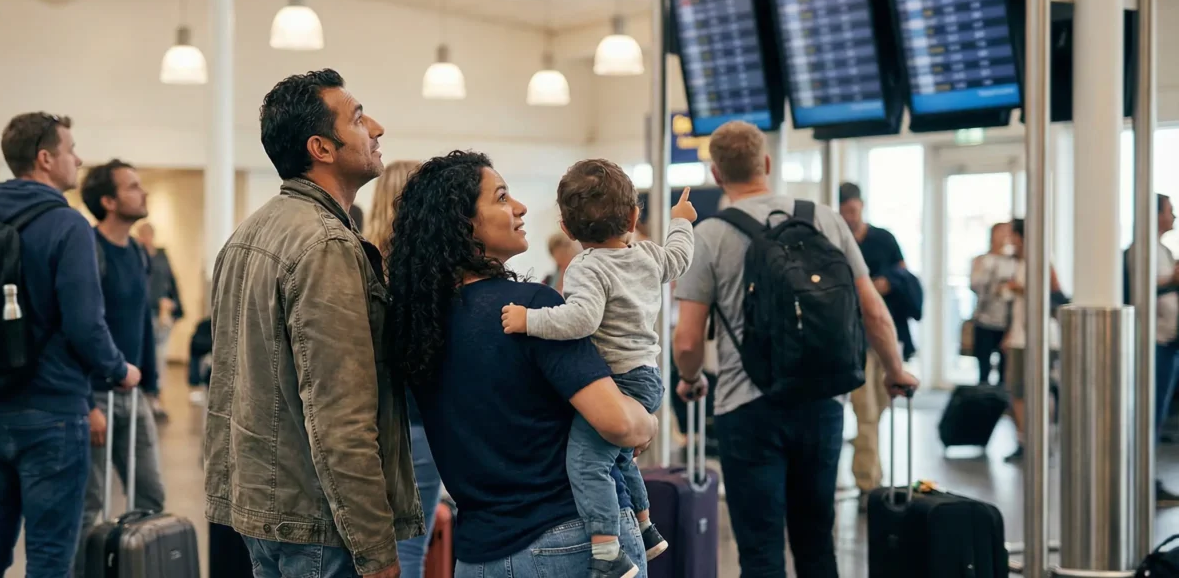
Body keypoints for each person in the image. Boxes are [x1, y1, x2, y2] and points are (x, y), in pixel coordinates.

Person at [385, 151, 657, 578]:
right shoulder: (534, 312)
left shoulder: (420, 326)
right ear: (465, 223)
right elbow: (619, 424)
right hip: (571, 542)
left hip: (479, 555)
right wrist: (649, 422)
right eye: (502, 197)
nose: (521, 207)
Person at [673, 122, 917, 578]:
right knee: (817, 546)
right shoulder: (824, 218)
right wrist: (894, 370)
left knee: (761, 553)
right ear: (766, 164)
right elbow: (874, 311)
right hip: (822, 403)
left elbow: (687, 341)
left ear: (716, 173)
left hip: (747, 410)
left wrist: (690, 380)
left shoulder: (709, 235)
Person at [205, 69, 420, 578]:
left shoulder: (249, 233)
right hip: (321, 526)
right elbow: (340, 416)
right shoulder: (325, 246)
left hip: (264, 509)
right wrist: (375, 548)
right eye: (360, 118)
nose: (378, 129)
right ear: (322, 148)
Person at [0, 113, 141, 578]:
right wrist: (119, 370)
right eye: (70, 149)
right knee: (48, 556)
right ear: (45, 158)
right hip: (51, 411)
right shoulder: (67, 225)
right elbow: (85, 324)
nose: (78, 158)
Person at [499, 159, 691, 578]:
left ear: (567, 230)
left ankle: (606, 551)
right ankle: (645, 526)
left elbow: (579, 320)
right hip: (647, 376)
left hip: (618, 381)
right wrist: (680, 221)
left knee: (587, 464)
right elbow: (680, 257)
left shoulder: (587, 266)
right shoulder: (648, 255)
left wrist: (528, 320)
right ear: (635, 216)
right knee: (619, 458)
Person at [74, 160, 166, 574]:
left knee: (151, 497)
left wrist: (152, 384)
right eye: (132, 187)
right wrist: (85, 405)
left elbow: (141, 323)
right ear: (108, 201)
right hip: (95, 397)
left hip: (133, 395)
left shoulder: (138, 253)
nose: (142, 193)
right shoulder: (88, 252)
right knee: (91, 505)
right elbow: (75, 331)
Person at [364, 159, 444, 578]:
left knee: (371, 550)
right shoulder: (423, 271)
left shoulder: (358, 261)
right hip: (416, 423)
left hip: (367, 424)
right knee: (410, 551)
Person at [838, 181, 915, 506]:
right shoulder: (837, 241)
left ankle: (868, 470)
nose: (850, 216)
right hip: (856, 340)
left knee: (877, 410)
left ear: (862, 206)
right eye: (845, 212)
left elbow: (903, 274)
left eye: (853, 210)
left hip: (886, 337)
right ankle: (869, 483)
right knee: (867, 412)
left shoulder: (883, 239)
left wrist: (885, 284)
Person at [999, 218, 1066, 465]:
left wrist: (1019, 288)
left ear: (1019, 236)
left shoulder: (1041, 261)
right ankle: (1025, 440)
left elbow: (1055, 293)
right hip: (1020, 337)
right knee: (1018, 389)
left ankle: (1037, 440)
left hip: (1041, 338)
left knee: (1036, 389)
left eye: (1011, 235)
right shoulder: (1021, 263)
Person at [1128, 193, 1179, 505]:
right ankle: (1142, 482)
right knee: (1150, 415)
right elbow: (1143, 289)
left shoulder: (1161, 250)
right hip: (1153, 344)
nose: (1174, 216)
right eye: (1170, 211)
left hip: (1167, 343)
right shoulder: (1142, 251)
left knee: (1157, 416)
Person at [135, 222, 181, 419]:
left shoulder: (161, 256)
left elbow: (171, 283)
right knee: (146, 355)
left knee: (159, 357)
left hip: (161, 314)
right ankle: (147, 399)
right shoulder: (135, 254)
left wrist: (174, 306)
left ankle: (155, 399)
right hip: (143, 313)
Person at [970, 222, 1018, 385]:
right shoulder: (982, 260)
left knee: (1005, 372)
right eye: (1001, 232)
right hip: (984, 319)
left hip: (1006, 322)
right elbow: (975, 285)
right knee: (983, 369)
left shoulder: (1015, 262)